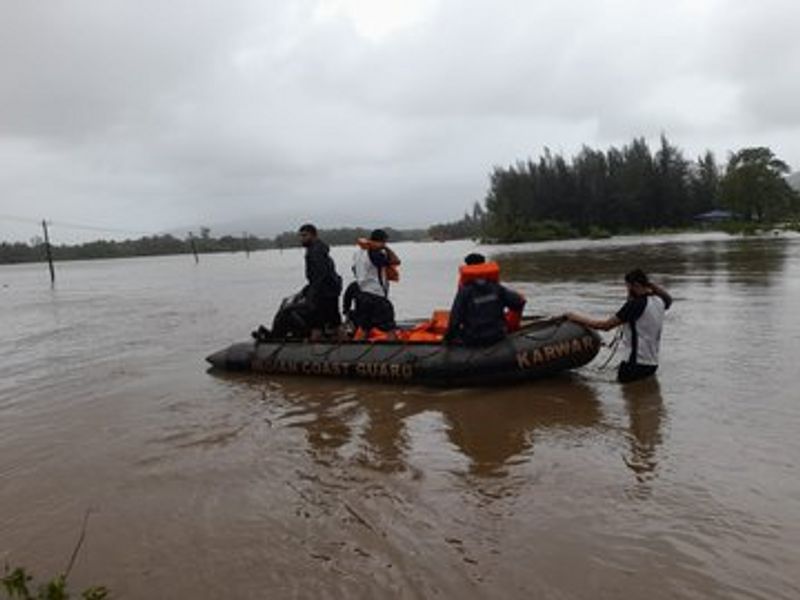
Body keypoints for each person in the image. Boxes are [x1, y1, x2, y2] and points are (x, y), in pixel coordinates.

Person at [564, 268, 672, 383]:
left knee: (628, 398)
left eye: (628, 287)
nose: (627, 291)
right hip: (652, 365)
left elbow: (605, 326)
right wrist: (649, 285)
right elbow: (668, 299)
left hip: (633, 365)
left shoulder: (635, 305)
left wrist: (575, 317)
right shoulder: (660, 301)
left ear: (634, 285)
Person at [444, 253, 526, 346]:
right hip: (498, 335)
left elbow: (455, 318)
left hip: (474, 338)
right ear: (484, 265)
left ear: (468, 267)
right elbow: (519, 302)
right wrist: (510, 323)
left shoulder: (465, 291)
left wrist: (448, 338)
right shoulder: (496, 287)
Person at [349, 228, 401, 338]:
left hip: (362, 295)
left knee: (364, 327)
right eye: (384, 242)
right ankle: (394, 351)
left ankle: (355, 351)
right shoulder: (374, 252)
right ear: (381, 241)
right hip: (377, 295)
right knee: (390, 327)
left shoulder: (358, 253)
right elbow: (396, 261)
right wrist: (386, 248)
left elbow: (354, 269)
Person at [298, 223, 342, 340]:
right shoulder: (317, 248)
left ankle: (314, 351)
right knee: (334, 322)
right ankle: (339, 344)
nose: (302, 238)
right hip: (330, 290)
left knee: (316, 324)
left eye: (305, 235)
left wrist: (312, 293)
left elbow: (321, 274)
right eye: (301, 236)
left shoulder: (316, 251)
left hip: (324, 292)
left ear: (314, 235)